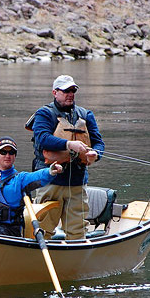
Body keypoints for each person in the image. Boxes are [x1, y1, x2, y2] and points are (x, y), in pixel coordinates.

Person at [29, 74, 105, 240]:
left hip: (77, 184)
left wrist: (95, 155)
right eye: (66, 91)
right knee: (42, 229)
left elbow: (99, 144)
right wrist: (69, 145)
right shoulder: (44, 114)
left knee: (78, 232)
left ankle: (75, 260)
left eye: (73, 90)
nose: (70, 94)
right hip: (50, 181)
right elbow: (42, 139)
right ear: (55, 92)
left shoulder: (86, 115)